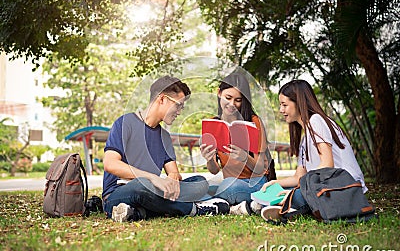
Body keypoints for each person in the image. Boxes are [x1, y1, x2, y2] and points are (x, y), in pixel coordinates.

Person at [102, 75, 229, 222]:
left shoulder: (164, 137)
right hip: (120, 192)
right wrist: (153, 178)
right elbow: (110, 164)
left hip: (153, 191)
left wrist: (173, 178)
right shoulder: (125, 123)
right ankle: (194, 209)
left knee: (200, 183)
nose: (180, 111)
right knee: (141, 187)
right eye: (178, 105)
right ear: (162, 99)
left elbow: (173, 172)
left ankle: (139, 212)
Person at [259, 79, 367, 221]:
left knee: (295, 195)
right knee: (284, 194)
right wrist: (275, 183)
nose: (281, 110)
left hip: (344, 189)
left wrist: (295, 192)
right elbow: (299, 177)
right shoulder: (305, 139)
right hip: (326, 189)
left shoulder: (317, 121)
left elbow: (327, 165)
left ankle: (288, 206)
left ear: (299, 102)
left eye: (284, 105)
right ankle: (289, 206)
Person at [200, 71, 274, 215]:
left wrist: (244, 157)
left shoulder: (253, 122)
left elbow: (260, 169)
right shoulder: (213, 125)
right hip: (230, 182)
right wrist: (209, 159)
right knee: (201, 186)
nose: (232, 104)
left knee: (228, 186)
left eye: (238, 100)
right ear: (219, 93)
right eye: (228, 97)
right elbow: (214, 170)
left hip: (255, 182)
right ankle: (244, 207)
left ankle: (215, 204)